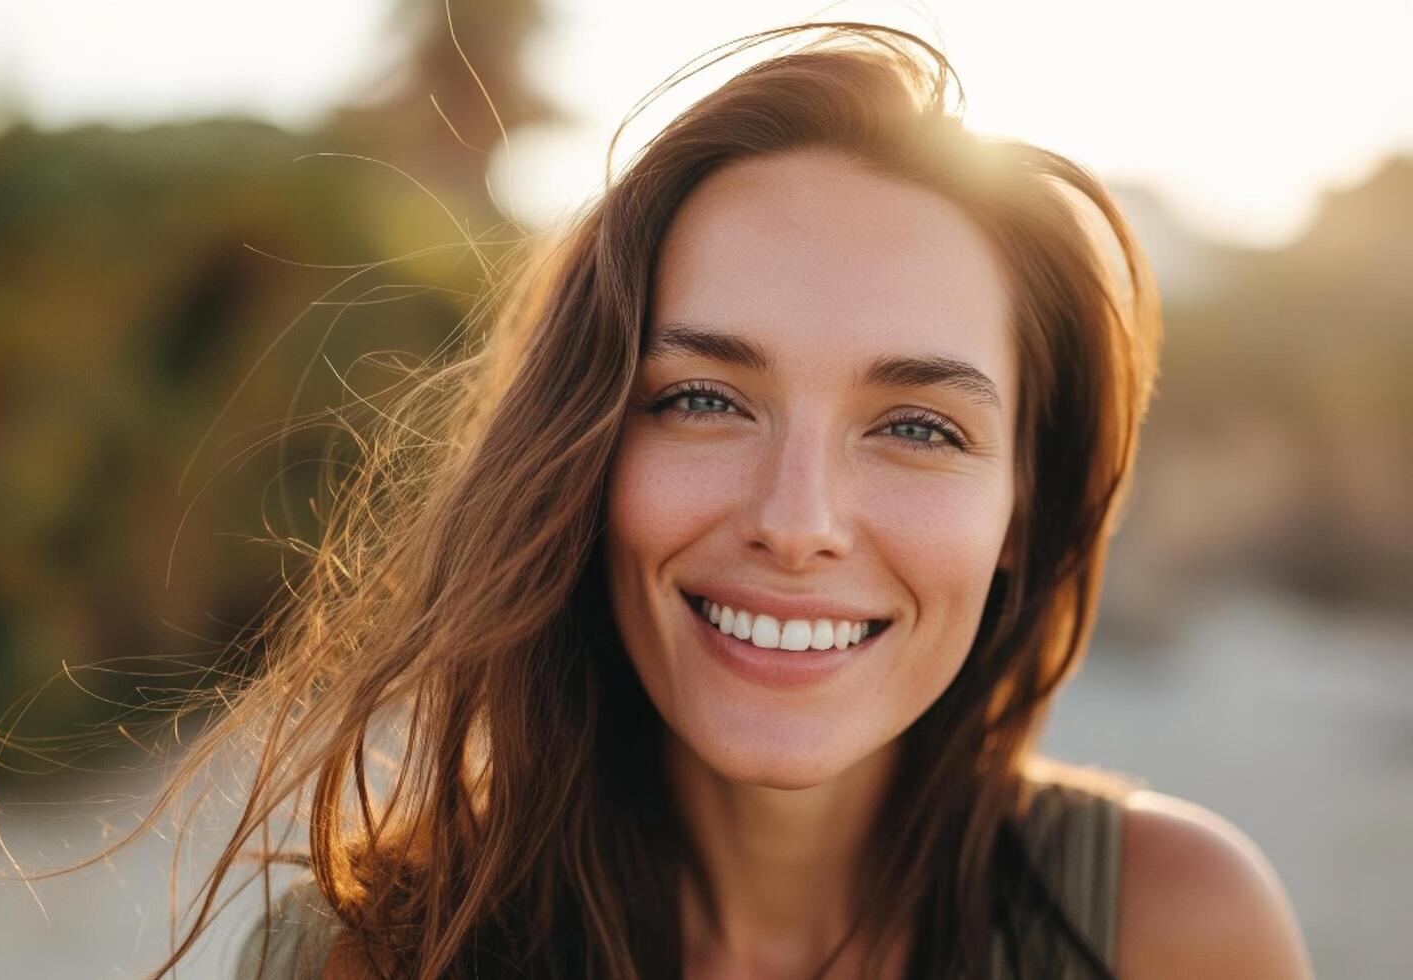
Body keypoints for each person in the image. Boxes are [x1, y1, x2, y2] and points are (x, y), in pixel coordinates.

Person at [137, 21, 1313, 980]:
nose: (796, 519)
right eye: (703, 399)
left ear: (1023, 507)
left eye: (918, 425)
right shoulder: (363, 956)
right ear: (578, 450)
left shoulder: (1174, 933)